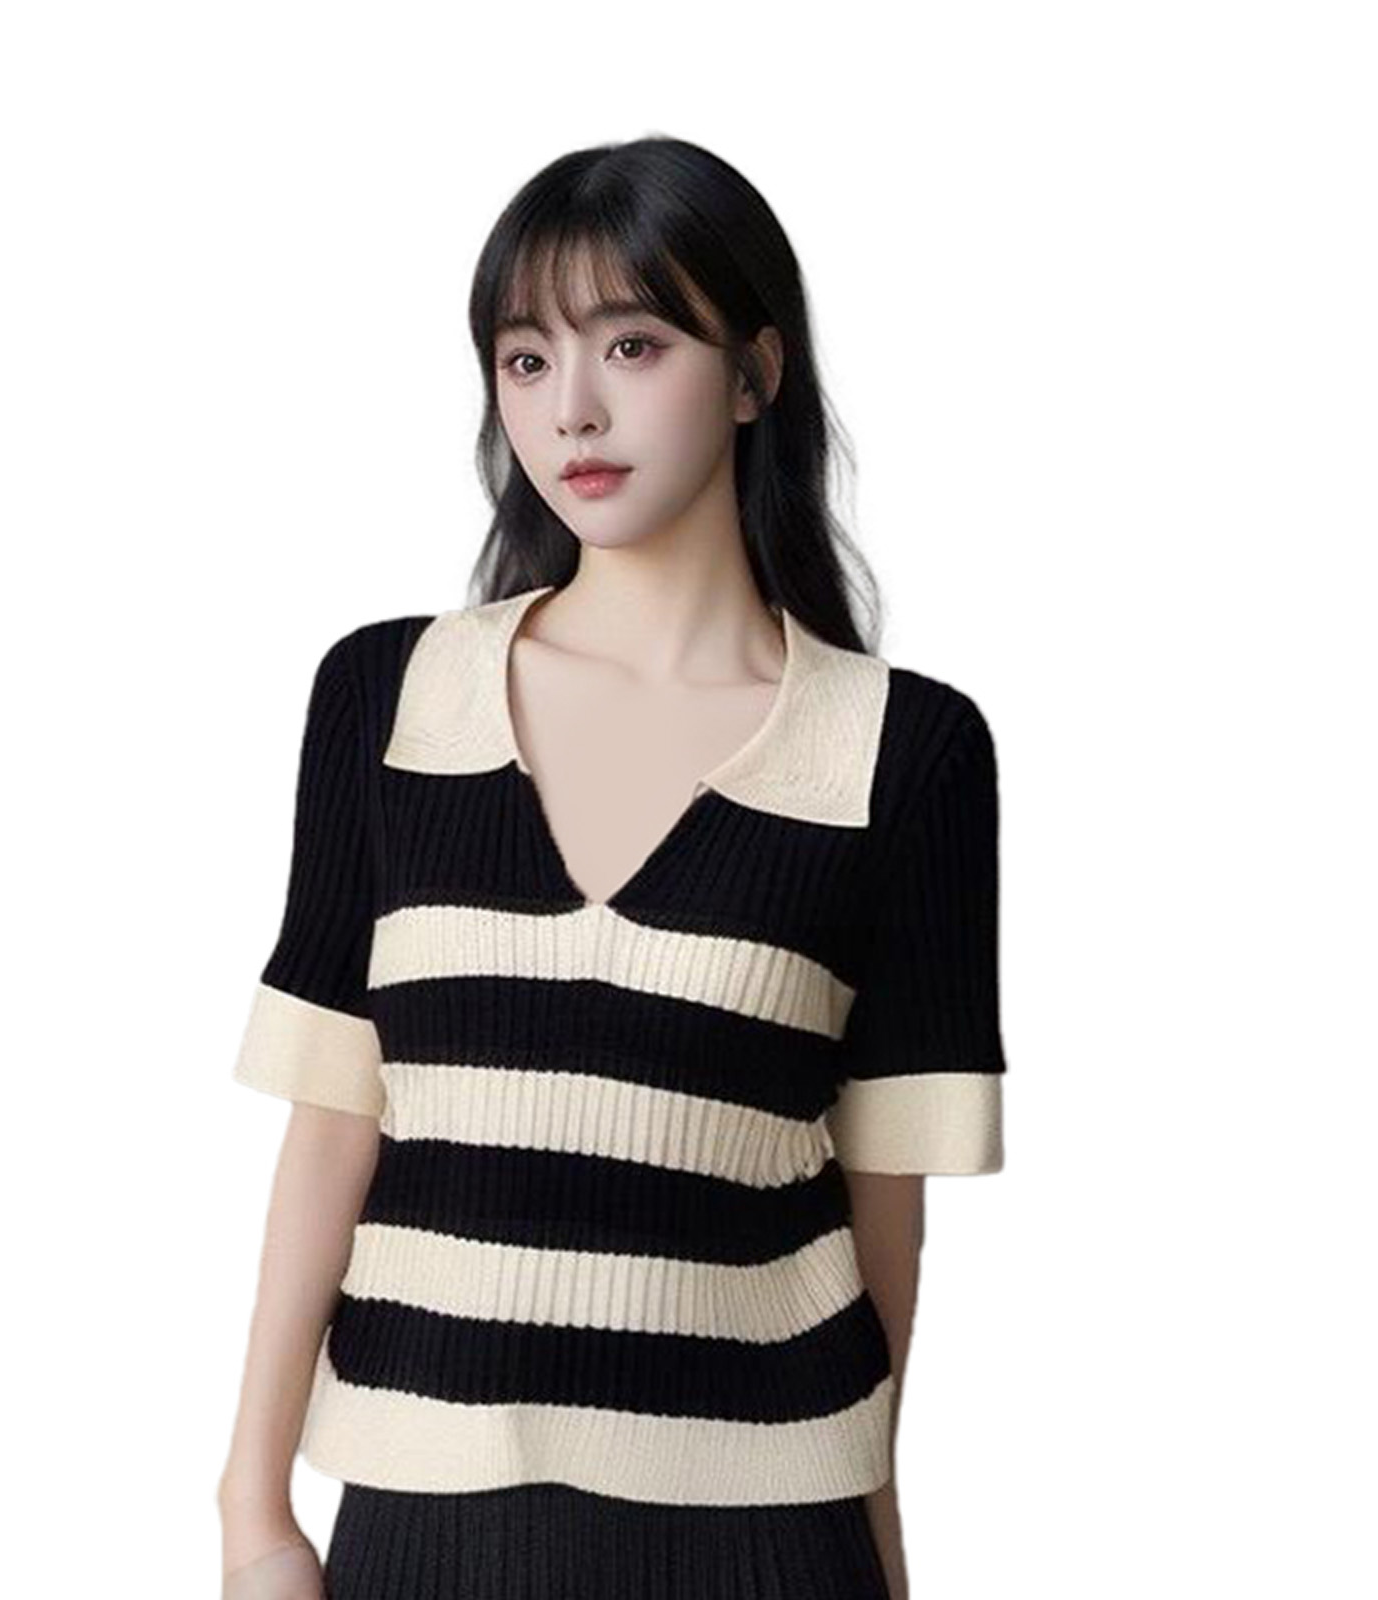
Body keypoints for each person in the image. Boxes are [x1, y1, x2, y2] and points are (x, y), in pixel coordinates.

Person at [217, 135, 1007, 1600]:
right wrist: (254, 1514)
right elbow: (335, 1123)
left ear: (756, 373)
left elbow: (883, 1204)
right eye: (526, 360)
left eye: (632, 346)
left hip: (770, 1539)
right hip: (424, 1528)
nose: (571, 407)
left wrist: (884, 1551)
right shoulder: (390, 700)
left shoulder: (904, 752)